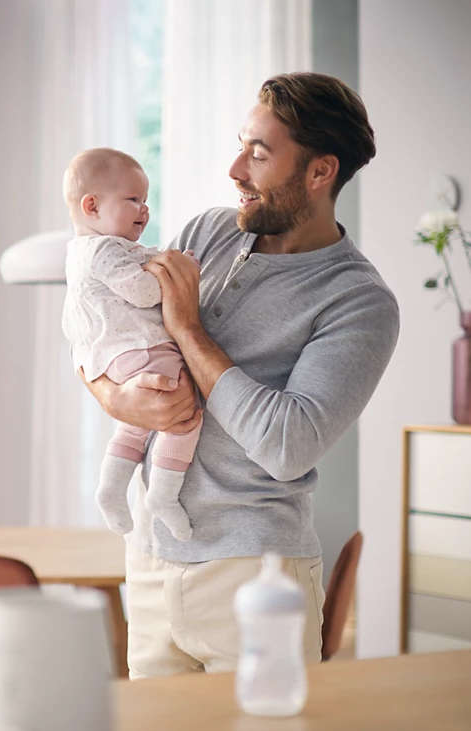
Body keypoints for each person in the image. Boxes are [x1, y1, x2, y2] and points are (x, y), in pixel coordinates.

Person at [82, 72, 400, 678]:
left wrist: (188, 329)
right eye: (240, 146)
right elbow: (109, 333)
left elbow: (287, 445)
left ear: (320, 171)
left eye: (258, 153)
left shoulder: (358, 301)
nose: (234, 170)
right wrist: (115, 396)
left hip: (256, 576)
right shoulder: (206, 232)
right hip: (150, 558)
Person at [61, 148, 203, 542]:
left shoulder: (85, 251)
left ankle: (110, 488)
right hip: (141, 348)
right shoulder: (104, 249)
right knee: (185, 415)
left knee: (136, 426)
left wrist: (163, 261)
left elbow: (143, 266)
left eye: (146, 199)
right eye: (133, 199)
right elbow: (142, 291)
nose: (145, 209)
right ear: (92, 206)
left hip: (117, 357)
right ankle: (164, 495)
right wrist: (183, 274)